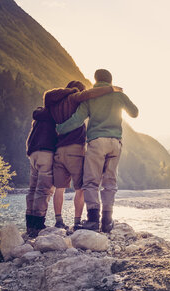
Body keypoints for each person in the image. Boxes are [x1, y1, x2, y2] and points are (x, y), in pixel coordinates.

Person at [56, 69, 138, 232]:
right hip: (116, 142)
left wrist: (59, 128)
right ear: (110, 80)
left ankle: (93, 220)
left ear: (95, 80)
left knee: (91, 181)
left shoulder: (90, 97)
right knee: (110, 181)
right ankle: (107, 221)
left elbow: (77, 120)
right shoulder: (119, 95)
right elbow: (134, 113)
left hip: (96, 142)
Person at [45, 81, 122, 229]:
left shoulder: (55, 105)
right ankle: (77, 221)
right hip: (75, 151)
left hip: (58, 151)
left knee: (59, 189)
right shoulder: (74, 101)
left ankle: (59, 221)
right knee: (80, 188)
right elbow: (88, 95)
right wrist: (110, 89)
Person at [25, 106, 56, 237]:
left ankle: (30, 224)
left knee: (32, 188)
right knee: (43, 190)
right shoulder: (55, 114)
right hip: (46, 152)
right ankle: (38, 224)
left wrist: (29, 152)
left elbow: (30, 136)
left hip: (33, 154)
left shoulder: (38, 116)